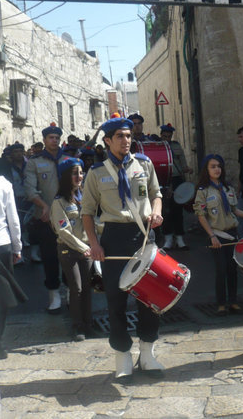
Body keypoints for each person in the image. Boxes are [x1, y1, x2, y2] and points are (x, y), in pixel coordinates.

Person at [82, 115, 165, 379]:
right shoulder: (96, 174)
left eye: (129, 135)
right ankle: (122, 358)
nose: (126, 140)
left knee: (150, 298)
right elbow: (86, 213)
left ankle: (148, 354)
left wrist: (157, 213)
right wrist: (94, 245)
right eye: (120, 136)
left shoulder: (144, 164)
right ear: (107, 141)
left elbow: (156, 194)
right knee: (116, 301)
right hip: (114, 237)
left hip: (142, 235)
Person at [194, 154, 243, 315]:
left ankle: (233, 302)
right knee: (220, 270)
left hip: (232, 234)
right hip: (217, 235)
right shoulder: (203, 191)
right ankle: (221, 304)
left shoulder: (228, 188)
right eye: (213, 166)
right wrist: (212, 236)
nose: (217, 169)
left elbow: (234, 210)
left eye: (219, 166)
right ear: (206, 170)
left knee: (232, 269)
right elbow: (201, 215)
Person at [24, 123, 70, 313]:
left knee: (70, 256)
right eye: (51, 137)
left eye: (57, 138)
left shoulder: (68, 159)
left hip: (69, 217)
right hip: (47, 218)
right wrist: (44, 206)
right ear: (44, 140)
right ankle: (54, 296)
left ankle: (70, 291)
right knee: (50, 258)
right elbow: (30, 189)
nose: (54, 140)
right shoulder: (35, 162)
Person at [0, 154, 27, 360]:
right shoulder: (3, 185)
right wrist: (17, 247)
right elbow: (13, 219)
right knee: (1, 297)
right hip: (1, 244)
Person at [49, 157, 93, 342]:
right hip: (69, 250)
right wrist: (84, 247)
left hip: (86, 249)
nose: (79, 176)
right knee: (77, 288)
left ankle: (88, 323)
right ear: (66, 176)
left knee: (88, 288)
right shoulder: (59, 202)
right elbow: (63, 231)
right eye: (75, 173)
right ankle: (77, 326)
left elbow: (92, 221)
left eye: (81, 172)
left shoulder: (85, 197)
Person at [159, 124, 193, 250]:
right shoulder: (158, 147)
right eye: (165, 135)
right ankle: (167, 238)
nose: (167, 138)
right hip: (163, 180)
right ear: (161, 135)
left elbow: (183, 164)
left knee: (178, 210)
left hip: (177, 179)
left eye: (169, 136)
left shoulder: (176, 146)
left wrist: (188, 169)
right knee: (165, 211)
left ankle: (180, 238)